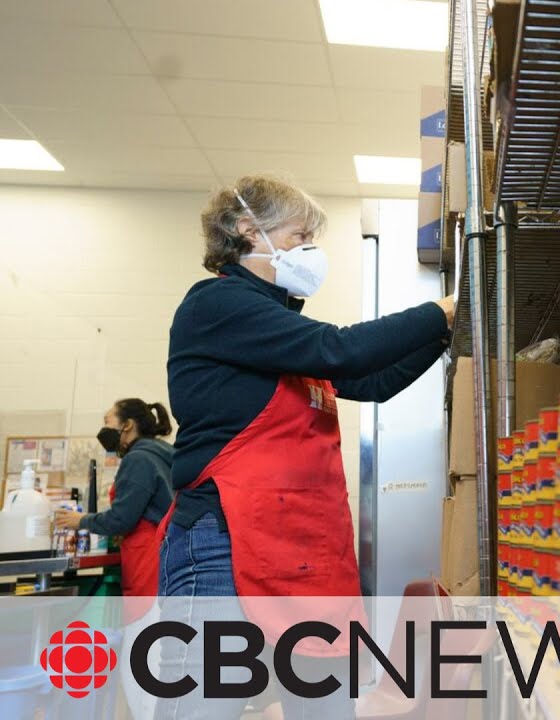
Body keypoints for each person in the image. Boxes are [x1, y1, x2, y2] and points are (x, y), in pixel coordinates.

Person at [157, 175, 454, 719]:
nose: (308, 252)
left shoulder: (281, 332)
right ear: (249, 232)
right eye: (299, 237)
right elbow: (339, 350)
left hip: (304, 553)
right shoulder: (218, 304)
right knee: (204, 706)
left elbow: (371, 381)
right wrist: (442, 311)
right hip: (226, 543)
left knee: (325, 706)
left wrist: (443, 337)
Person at [54, 398, 175, 599]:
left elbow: (121, 519)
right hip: (165, 555)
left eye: (107, 421)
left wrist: (80, 520)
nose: (104, 429)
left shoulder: (138, 459)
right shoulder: (162, 455)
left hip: (147, 560)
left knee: (145, 626)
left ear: (127, 425)